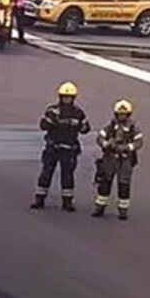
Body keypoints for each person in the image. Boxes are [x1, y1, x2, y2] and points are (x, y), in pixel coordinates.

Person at [33, 82, 90, 211]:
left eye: (69, 97)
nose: (66, 99)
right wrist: (53, 121)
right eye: (64, 97)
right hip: (53, 147)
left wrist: (77, 125)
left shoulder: (78, 112)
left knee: (68, 175)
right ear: (60, 97)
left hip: (69, 149)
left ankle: (67, 201)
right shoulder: (53, 110)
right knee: (46, 173)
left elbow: (86, 128)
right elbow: (43, 125)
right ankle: (39, 199)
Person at [92, 99, 142, 220]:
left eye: (124, 114)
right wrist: (107, 144)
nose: (121, 116)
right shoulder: (110, 126)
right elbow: (100, 137)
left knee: (123, 186)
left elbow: (138, 142)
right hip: (110, 159)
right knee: (105, 184)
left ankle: (123, 211)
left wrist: (125, 148)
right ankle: (100, 208)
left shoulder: (133, 128)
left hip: (124, 160)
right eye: (120, 114)